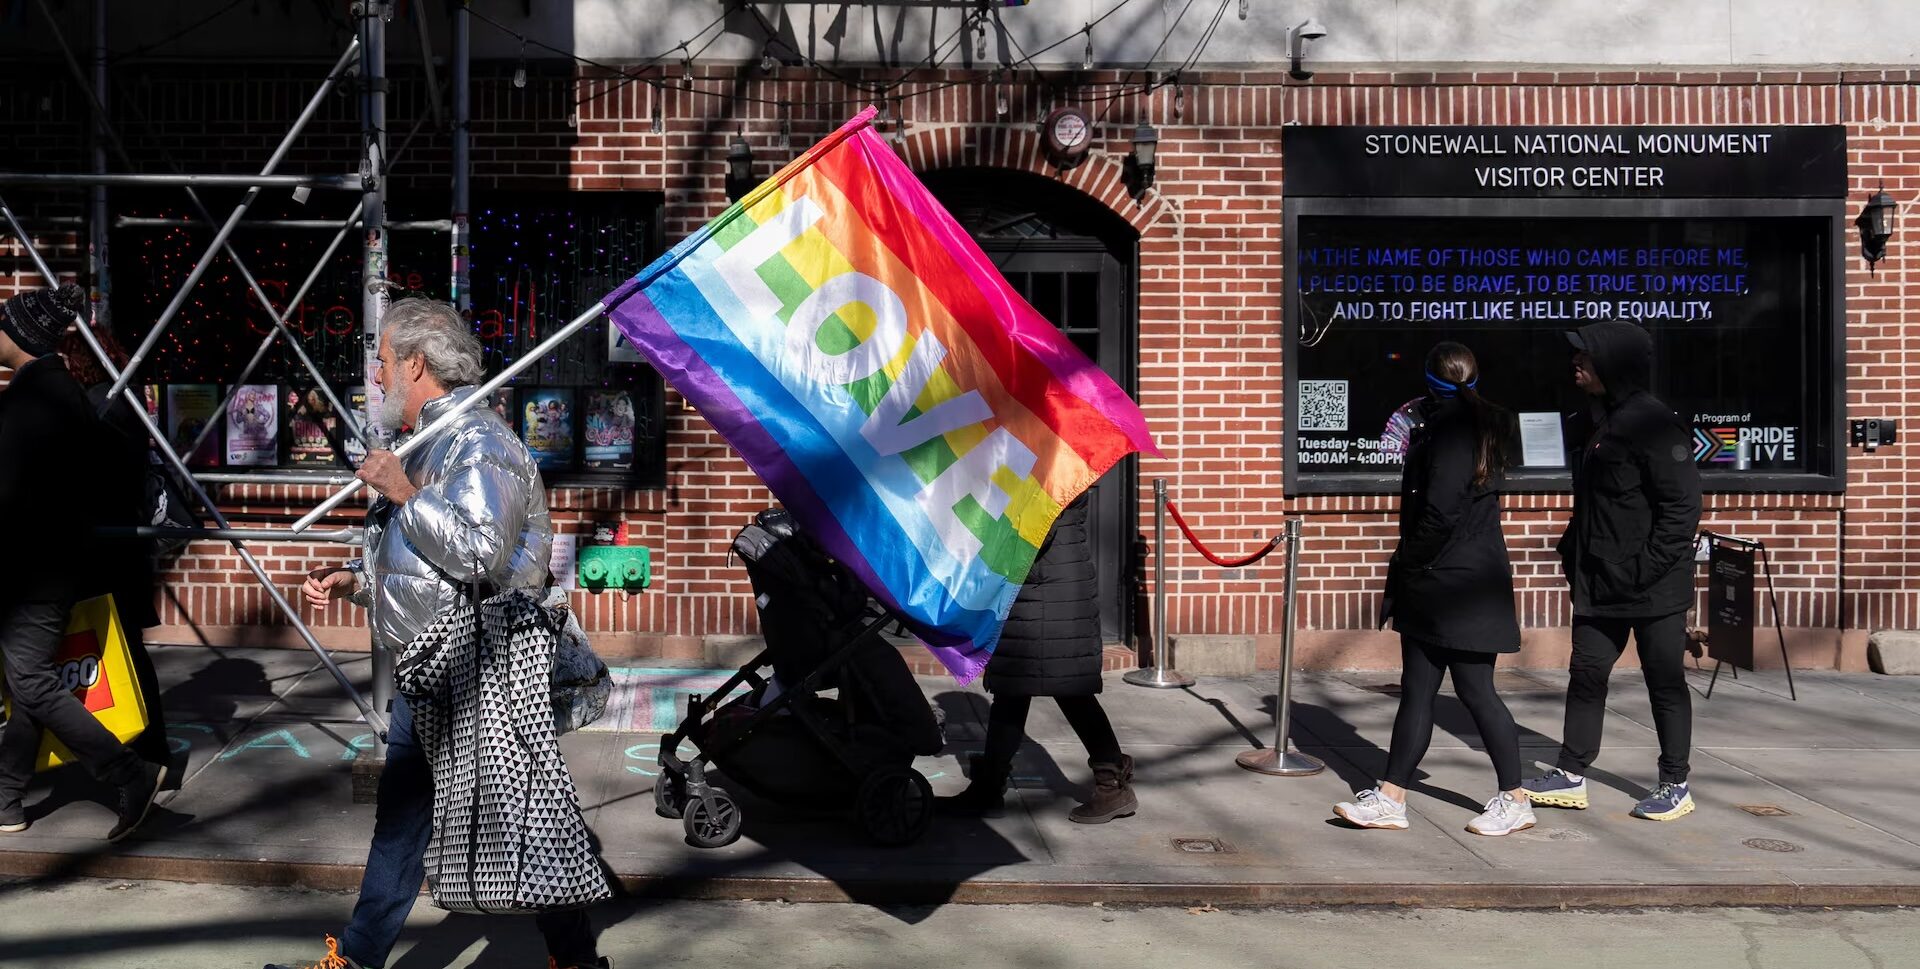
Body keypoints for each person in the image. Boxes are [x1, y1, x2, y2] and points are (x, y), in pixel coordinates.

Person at [271, 299, 608, 969]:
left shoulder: (481, 442)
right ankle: (365, 957)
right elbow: (427, 568)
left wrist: (404, 493)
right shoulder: (427, 441)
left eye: (384, 361)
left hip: (478, 668)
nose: (376, 374)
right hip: (432, 667)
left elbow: (480, 554)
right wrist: (356, 580)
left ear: (417, 364)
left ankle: (571, 959)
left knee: (519, 814)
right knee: (426, 820)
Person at [1333, 342, 1535, 837]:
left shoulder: (1452, 430)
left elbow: (1440, 512)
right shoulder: (1477, 423)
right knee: (1418, 690)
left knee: (1475, 691)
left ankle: (1515, 799)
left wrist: (1409, 561)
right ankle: (1392, 796)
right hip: (1449, 580)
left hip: (1456, 584)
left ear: (1429, 378)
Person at [0, 284, 167, 841]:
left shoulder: (34, 400)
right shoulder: (56, 390)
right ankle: (6, 798)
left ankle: (129, 772)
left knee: (29, 678)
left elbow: (12, 495)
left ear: (20, 336)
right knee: (28, 679)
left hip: (34, 568)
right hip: (53, 562)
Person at [1522, 320, 1703, 822]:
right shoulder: (1599, 419)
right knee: (1586, 675)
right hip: (1600, 584)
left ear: (1613, 363)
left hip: (1654, 587)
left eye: (1585, 355)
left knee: (1664, 682)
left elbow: (1682, 509)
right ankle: (1570, 774)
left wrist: (1642, 570)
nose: (1575, 362)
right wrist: (1574, 553)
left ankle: (1675, 784)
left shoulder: (1654, 423)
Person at [939, 492, 1137, 823]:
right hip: (1037, 591)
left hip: (1047, 592)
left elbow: (1030, 534)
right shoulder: (1041, 474)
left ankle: (1112, 785)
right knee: (1012, 691)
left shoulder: (1051, 478)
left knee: (1068, 691)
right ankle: (990, 787)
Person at [62, 326, 173, 773]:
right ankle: (149, 752)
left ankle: (147, 755)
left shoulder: (100, 405)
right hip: (121, 547)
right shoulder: (117, 398)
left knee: (120, 651)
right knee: (125, 651)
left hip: (107, 548)